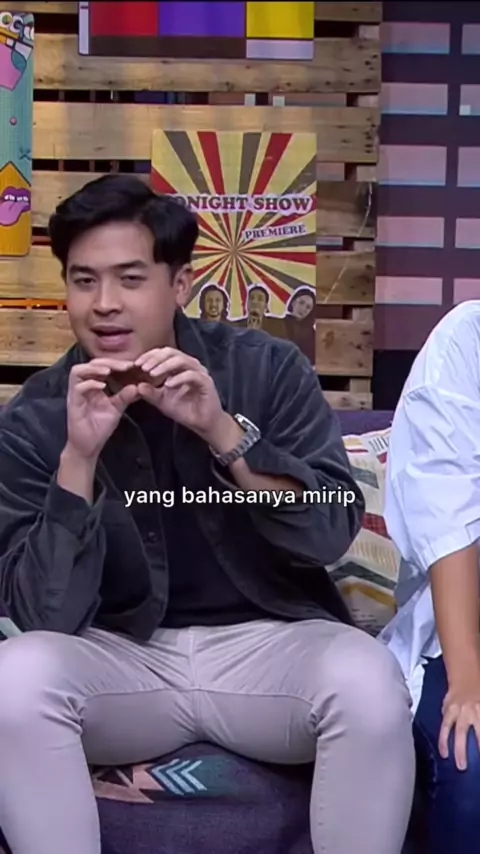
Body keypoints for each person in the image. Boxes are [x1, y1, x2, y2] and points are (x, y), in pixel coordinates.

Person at [0, 174, 415, 854]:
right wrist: (78, 456)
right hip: (120, 657)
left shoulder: (266, 369)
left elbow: (326, 532)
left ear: (180, 284)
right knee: (12, 679)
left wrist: (225, 433)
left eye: (131, 278)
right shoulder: (36, 416)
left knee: (367, 681)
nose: (105, 304)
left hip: (269, 647)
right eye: (84, 281)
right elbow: (40, 615)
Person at [379, 300, 480, 853]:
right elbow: (447, 520)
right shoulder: (469, 338)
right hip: (462, 632)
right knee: (471, 761)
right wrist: (468, 679)